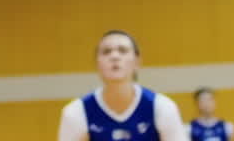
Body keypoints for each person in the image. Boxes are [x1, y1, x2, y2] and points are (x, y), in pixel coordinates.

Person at [57, 30, 187, 141]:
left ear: (137, 62)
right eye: (106, 52)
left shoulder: (162, 107)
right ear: (97, 63)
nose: (114, 56)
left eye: (123, 50)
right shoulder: (75, 112)